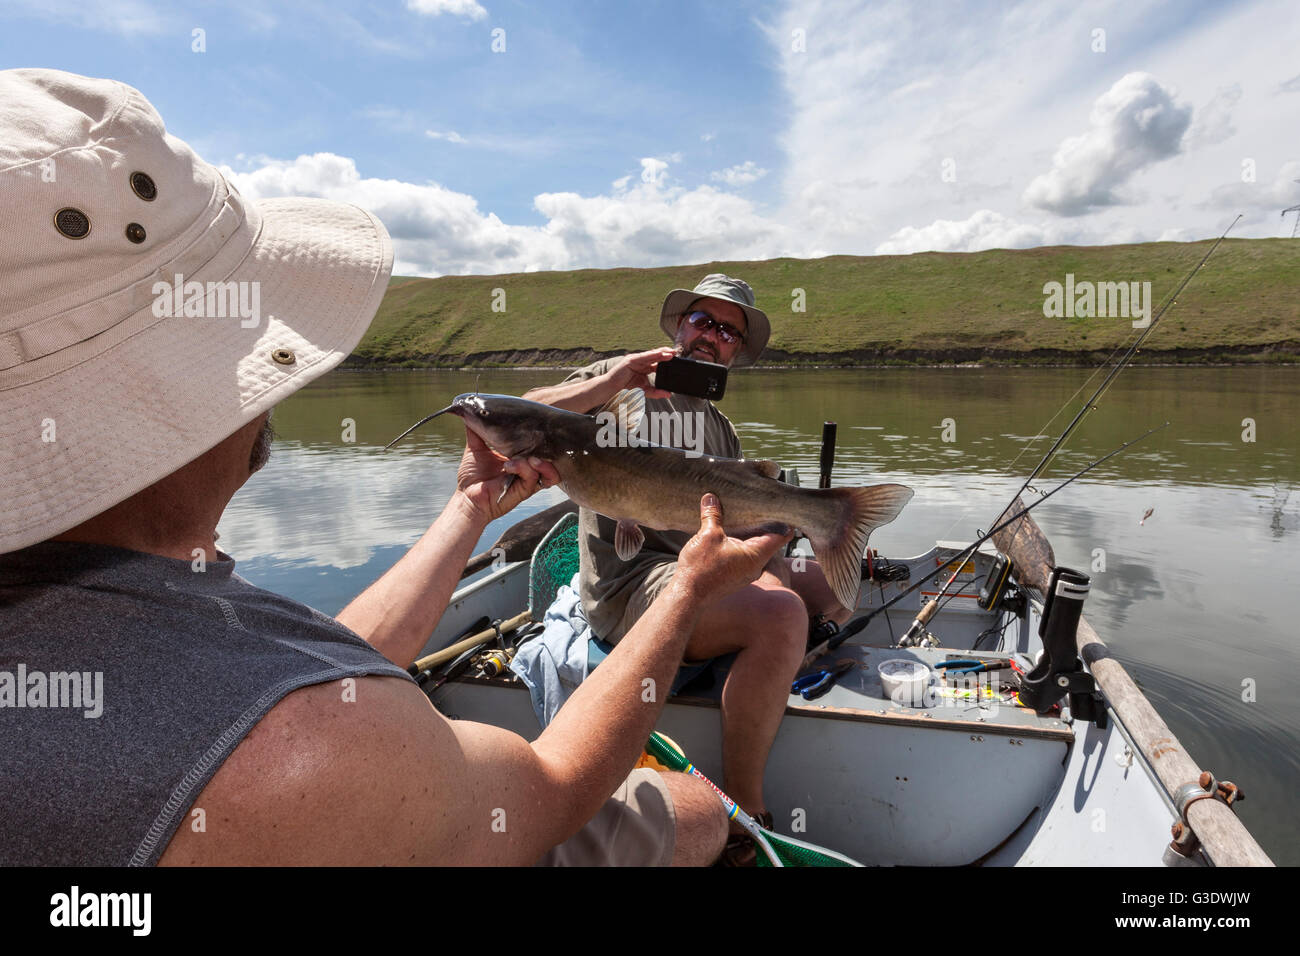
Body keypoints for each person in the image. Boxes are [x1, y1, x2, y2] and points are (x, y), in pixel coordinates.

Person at [0, 69, 793, 866]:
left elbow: (326, 658)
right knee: (692, 809)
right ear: (181, 380)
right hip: (494, 789)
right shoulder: (311, 749)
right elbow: (548, 792)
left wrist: (468, 512)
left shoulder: (144, 615)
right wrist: (690, 587)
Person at [522, 275, 852, 857]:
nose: (713, 336)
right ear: (679, 325)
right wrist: (612, 375)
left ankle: (782, 626)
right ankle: (745, 818)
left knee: (826, 587)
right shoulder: (615, 386)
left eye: (728, 331)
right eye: (704, 321)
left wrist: (786, 524)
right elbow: (521, 421)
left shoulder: (719, 429)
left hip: (696, 571)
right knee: (780, 616)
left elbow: (725, 531)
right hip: (630, 588)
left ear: (734, 352)